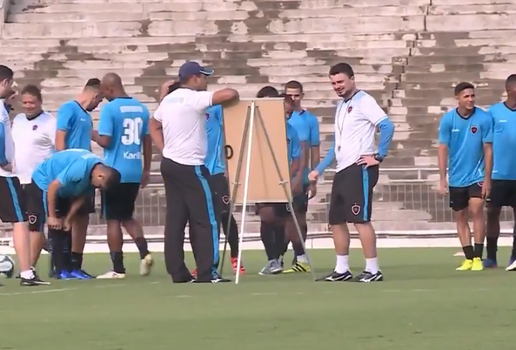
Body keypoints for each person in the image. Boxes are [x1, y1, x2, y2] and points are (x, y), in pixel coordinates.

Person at [149, 61, 239, 283]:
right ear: (195, 78)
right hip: (191, 165)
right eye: (204, 77)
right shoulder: (194, 97)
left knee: (175, 220)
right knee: (206, 219)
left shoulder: (168, 100)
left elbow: (153, 124)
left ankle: (178, 272)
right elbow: (230, 93)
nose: (206, 81)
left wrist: (165, 149)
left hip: (170, 164)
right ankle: (208, 271)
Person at [310, 62, 395, 283]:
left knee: (360, 219)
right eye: (333, 83)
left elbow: (387, 126)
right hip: (342, 169)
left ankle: (373, 269)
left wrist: (378, 156)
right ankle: (341, 269)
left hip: (359, 169)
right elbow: (336, 145)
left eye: (340, 81)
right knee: (336, 220)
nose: (337, 86)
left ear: (352, 79)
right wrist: (318, 170)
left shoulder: (364, 101)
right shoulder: (341, 106)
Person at [91, 73, 154, 279]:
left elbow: (106, 141)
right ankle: (144, 253)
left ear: (109, 89)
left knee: (113, 219)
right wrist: (146, 169)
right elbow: (147, 141)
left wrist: (91, 133)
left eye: (103, 92)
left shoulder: (110, 108)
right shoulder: (141, 108)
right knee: (127, 215)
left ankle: (118, 268)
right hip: (134, 169)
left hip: (114, 172)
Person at [30, 149, 121, 278]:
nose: (99, 188)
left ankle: (69, 268)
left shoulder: (95, 174)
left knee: (65, 226)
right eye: (100, 185)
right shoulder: (80, 168)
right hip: (45, 182)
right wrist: (51, 216)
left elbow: (81, 196)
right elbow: (52, 187)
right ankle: (59, 270)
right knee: (55, 226)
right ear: (100, 176)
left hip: (64, 190)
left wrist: (69, 218)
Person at [437, 82, 493, 271]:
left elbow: (488, 149)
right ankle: (468, 257)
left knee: (477, 210)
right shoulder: (448, 120)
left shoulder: (484, 118)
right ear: (457, 98)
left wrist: (487, 178)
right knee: (460, 216)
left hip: (476, 175)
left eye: (472, 96)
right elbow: (443, 148)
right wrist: (443, 178)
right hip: (456, 177)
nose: (470, 100)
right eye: (466, 96)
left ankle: (478, 256)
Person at [0, 65, 43, 286]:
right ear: (4, 82)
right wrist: (3, 161)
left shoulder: (3, 107)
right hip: (3, 175)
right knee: (19, 221)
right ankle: (27, 272)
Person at [55, 78, 103, 279]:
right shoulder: (69, 109)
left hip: (85, 173)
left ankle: (76, 263)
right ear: (95, 95)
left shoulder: (86, 116)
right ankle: (62, 265)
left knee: (82, 217)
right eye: (99, 100)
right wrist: (66, 168)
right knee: (67, 218)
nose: (99, 104)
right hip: (71, 173)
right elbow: (60, 141)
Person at [191, 103, 245, 277]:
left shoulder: (213, 110)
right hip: (196, 172)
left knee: (225, 215)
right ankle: (204, 263)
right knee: (200, 219)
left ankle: (236, 256)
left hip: (216, 172)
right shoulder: (186, 112)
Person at [256, 93, 305, 275]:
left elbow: (296, 159)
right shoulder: (261, 129)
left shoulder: (291, 131)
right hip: (263, 180)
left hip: (282, 182)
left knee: (285, 221)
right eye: (284, 112)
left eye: (289, 113)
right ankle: (273, 259)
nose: (286, 116)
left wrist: (288, 177)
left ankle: (287, 256)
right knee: (266, 216)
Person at [12, 85, 55, 283]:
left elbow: (58, 149)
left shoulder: (49, 122)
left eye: (32, 102)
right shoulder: (18, 120)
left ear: (40, 101)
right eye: (25, 102)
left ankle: (28, 270)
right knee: (22, 225)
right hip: (17, 179)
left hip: (37, 180)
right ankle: (34, 260)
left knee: (34, 226)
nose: (28, 106)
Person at [282, 80, 320, 273]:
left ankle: (301, 258)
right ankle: (277, 257)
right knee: (279, 217)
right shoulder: (279, 117)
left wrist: (313, 179)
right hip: (281, 175)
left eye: (297, 95)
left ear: (302, 96)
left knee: (298, 216)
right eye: (290, 95)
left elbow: (314, 150)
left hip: (301, 177)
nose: (294, 99)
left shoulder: (310, 120)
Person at [483, 75, 516, 270]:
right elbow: (488, 146)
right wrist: (486, 178)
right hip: (498, 176)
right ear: (510, 90)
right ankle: (491, 256)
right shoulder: (493, 113)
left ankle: (514, 257)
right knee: (493, 214)